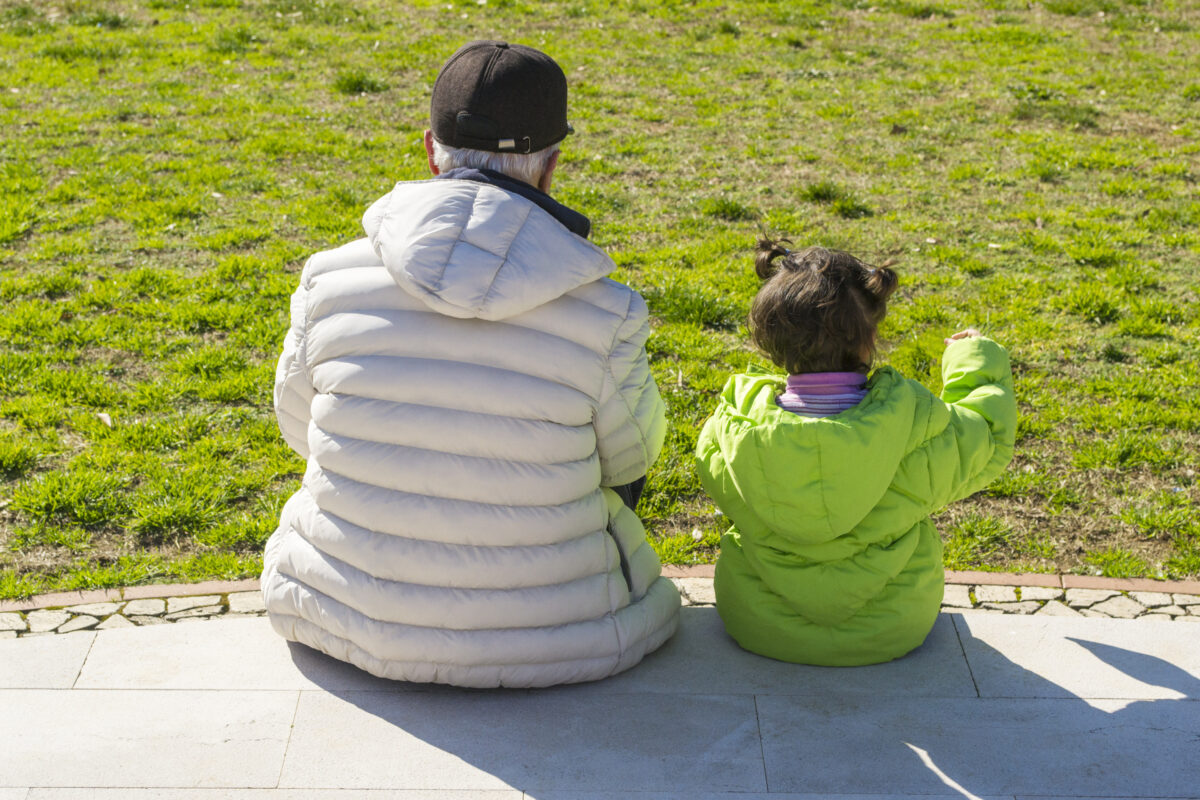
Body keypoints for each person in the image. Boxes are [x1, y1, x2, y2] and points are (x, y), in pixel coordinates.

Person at [261, 40, 679, 688]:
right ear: (550, 167)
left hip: (341, 615)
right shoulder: (608, 311)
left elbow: (297, 429)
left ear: (430, 149)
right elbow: (631, 460)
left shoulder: (327, 277)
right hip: (556, 638)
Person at [694, 239, 1016, 666]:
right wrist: (972, 358)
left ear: (770, 340)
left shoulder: (730, 429)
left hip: (759, 621)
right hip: (891, 626)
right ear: (868, 341)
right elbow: (987, 438)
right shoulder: (912, 424)